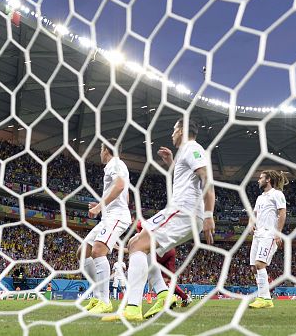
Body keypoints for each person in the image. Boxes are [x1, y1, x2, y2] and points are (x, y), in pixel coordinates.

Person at [102, 118, 215, 322]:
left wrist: (209, 214)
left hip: (184, 211)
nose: (172, 133)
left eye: (174, 129)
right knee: (139, 247)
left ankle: (134, 308)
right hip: (183, 212)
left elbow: (206, 178)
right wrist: (171, 163)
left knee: (136, 244)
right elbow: (185, 180)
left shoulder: (192, 148)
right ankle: (163, 294)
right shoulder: (185, 152)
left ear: (181, 130)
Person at [79, 138, 131, 314]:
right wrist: (102, 205)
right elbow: (125, 195)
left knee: (98, 251)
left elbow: (120, 185)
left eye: (101, 149)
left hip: (116, 217)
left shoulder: (115, 163)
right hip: (109, 216)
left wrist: (100, 207)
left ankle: (105, 301)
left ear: (106, 150)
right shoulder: (114, 166)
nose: (100, 153)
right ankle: (96, 296)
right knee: (83, 252)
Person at [248, 170, 288, 309]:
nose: (258, 180)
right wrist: (251, 222)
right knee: (254, 267)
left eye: (261, 178)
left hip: (269, 234)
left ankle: (264, 298)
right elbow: (254, 213)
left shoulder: (277, 194)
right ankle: (264, 297)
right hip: (257, 235)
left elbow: (282, 213)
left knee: (260, 264)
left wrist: (278, 233)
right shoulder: (260, 198)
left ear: (268, 180)